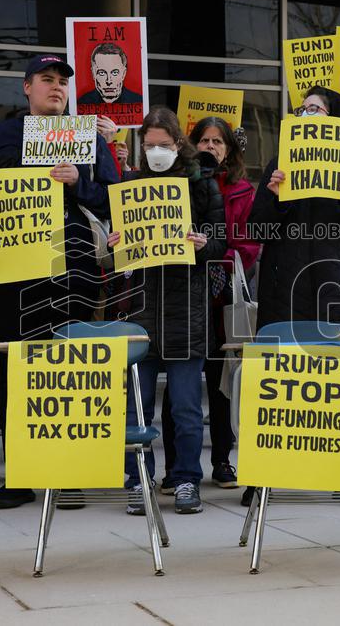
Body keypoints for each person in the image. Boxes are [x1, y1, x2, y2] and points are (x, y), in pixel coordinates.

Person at [0, 54, 118, 509]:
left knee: (66, 368)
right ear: (26, 87)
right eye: (47, 80)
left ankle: (67, 473)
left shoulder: (84, 137)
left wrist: (79, 184)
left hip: (71, 268)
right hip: (11, 273)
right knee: (16, 370)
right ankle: (22, 473)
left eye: (63, 83)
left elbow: (113, 200)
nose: (57, 89)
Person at [245, 86, 340, 507]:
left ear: (335, 120)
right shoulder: (278, 164)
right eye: (302, 109)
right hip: (283, 293)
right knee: (276, 387)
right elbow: (256, 231)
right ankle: (263, 473)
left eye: (317, 109)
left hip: (336, 294)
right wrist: (272, 195)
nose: (307, 115)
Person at [106, 106, 226, 515]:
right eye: (150, 145)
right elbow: (114, 257)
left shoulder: (202, 186)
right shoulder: (130, 184)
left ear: (179, 144)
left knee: (187, 408)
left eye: (164, 145)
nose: (157, 151)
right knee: (135, 408)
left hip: (186, 311)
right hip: (141, 311)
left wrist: (203, 243)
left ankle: (187, 479)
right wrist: (114, 244)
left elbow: (222, 241)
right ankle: (139, 479)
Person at [160, 118, 260, 494]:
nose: (211, 146)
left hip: (222, 299)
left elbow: (248, 246)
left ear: (230, 149)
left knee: (222, 383)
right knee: (179, 383)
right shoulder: (180, 184)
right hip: (182, 295)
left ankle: (221, 459)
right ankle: (174, 467)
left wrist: (217, 262)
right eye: (204, 139)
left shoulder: (242, 191)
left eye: (218, 141)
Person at [78, 43, 143, 105]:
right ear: (93, 73)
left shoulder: (138, 101)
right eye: (102, 73)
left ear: (123, 74)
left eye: (114, 73)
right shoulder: (81, 102)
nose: (109, 81)